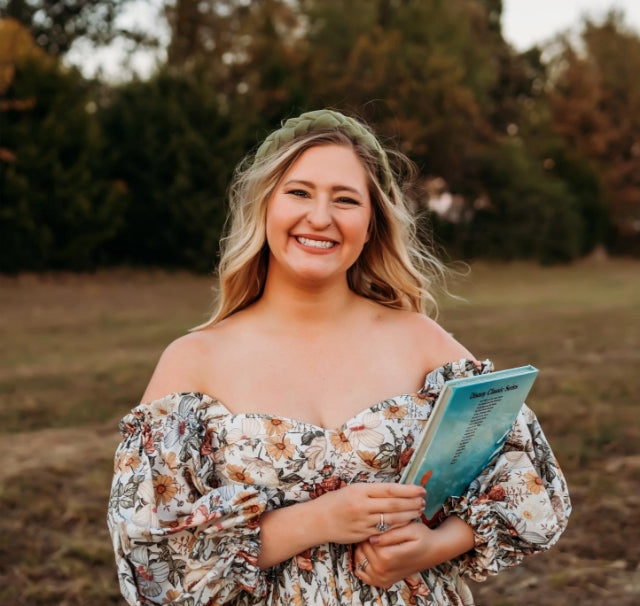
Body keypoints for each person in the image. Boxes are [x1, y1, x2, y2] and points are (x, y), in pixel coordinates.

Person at [107, 109, 571, 605]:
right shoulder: (194, 360)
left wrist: (435, 545)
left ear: (371, 224)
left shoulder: (420, 340)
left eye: (346, 200)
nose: (320, 217)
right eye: (299, 192)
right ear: (264, 206)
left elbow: (534, 481)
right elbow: (150, 561)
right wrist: (319, 520)